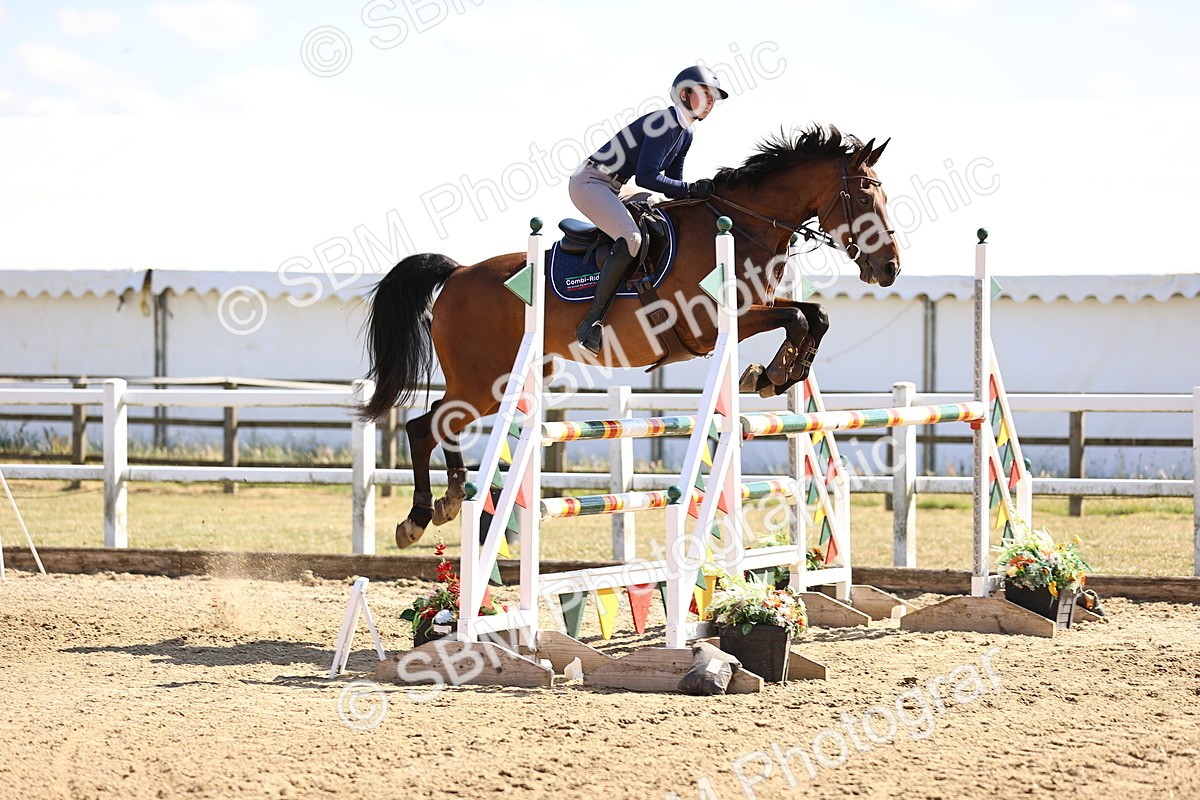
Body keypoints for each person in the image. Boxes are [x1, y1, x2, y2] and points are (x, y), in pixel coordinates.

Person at [569, 65, 727, 355]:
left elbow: (673, 183)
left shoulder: (686, 133)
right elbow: (647, 177)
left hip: (615, 186)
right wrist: (690, 189)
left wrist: (697, 197)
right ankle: (590, 323)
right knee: (633, 238)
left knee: (662, 216)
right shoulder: (664, 123)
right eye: (705, 95)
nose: (711, 103)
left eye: (714, 98)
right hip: (590, 182)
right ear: (684, 94)